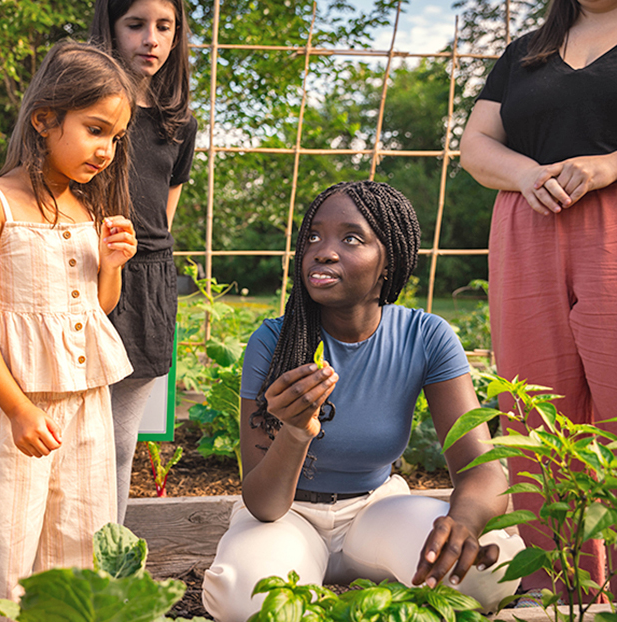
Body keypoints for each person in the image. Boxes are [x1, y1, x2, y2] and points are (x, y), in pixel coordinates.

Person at [201, 181, 524, 622]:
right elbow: (264, 504)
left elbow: (481, 469)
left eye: (350, 238)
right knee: (244, 600)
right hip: (286, 518)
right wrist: (296, 431)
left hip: (376, 508)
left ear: (389, 261)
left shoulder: (425, 336)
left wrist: (463, 522)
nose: (323, 251)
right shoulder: (274, 342)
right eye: (313, 237)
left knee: (489, 571)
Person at [459, 0, 617, 598]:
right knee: (537, 412)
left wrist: (606, 166)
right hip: (528, 225)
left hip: (612, 225)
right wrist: (526, 174)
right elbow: (476, 145)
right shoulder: (528, 49)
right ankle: (567, 593)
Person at [0, 40, 138, 604]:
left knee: (80, 534)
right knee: (10, 537)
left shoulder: (87, 207)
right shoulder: (4, 204)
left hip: (85, 404)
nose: (106, 149)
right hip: (17, 406)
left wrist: (111, 267)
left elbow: (91, 311)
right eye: (96, 129)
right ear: (44, 119)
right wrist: (18, 409)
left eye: (116, 138)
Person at [90, 0, 198, 524]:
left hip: (149, 282)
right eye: (135, 25)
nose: (151, 39)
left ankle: (106, 561)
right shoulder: (84, 110)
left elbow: (164, 215)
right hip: (84, 272)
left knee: (118, 440)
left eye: (164, 26)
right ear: (109, 26)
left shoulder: (179, 123)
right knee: (68, 431)